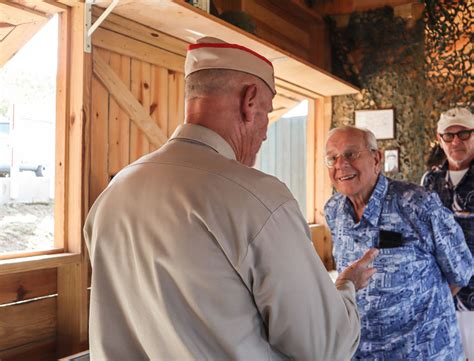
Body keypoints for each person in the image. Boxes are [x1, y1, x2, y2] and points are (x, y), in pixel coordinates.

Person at [84, 37, 379, 360]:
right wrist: (347, 287)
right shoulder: (257, 199)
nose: (266, 132)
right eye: (267, 112)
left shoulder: (112, 196)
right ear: (249, 101)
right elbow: (324, 345)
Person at [324, 125, 473, 360]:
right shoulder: (333, 211)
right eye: (332, 158)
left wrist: (423, 310)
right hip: (360, 351)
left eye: (351, 154)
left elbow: (462, 269)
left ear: (377, 158)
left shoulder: (417, 204)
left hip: (423, 353)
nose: (341, 164)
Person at [422, 107, 474, 359]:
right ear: (439, 138)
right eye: (449, 135)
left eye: (463, 134)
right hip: (440, 295)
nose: (456, 141)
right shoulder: (429, 181)